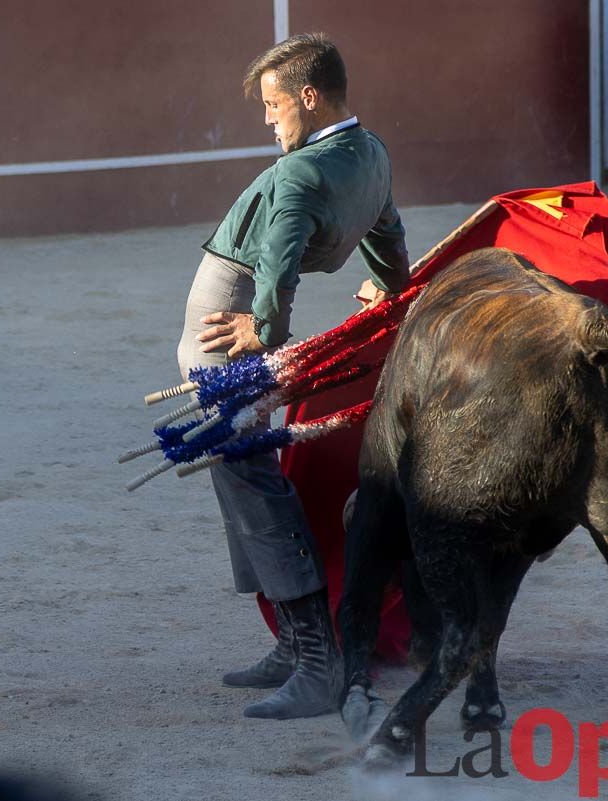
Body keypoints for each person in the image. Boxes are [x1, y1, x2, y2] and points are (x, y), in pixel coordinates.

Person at [175, 32, 410, 720]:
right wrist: (388, 290)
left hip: (226, 347)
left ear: (310, 97)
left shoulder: (300, 174)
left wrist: (262, 328)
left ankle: (314, 657)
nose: (268, 119)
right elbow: (391, 244)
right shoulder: (372, 155)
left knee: (251, 485)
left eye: (275, 106)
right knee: (248, 481)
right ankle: (295, 644)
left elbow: (275, 269)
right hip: (229, 346)